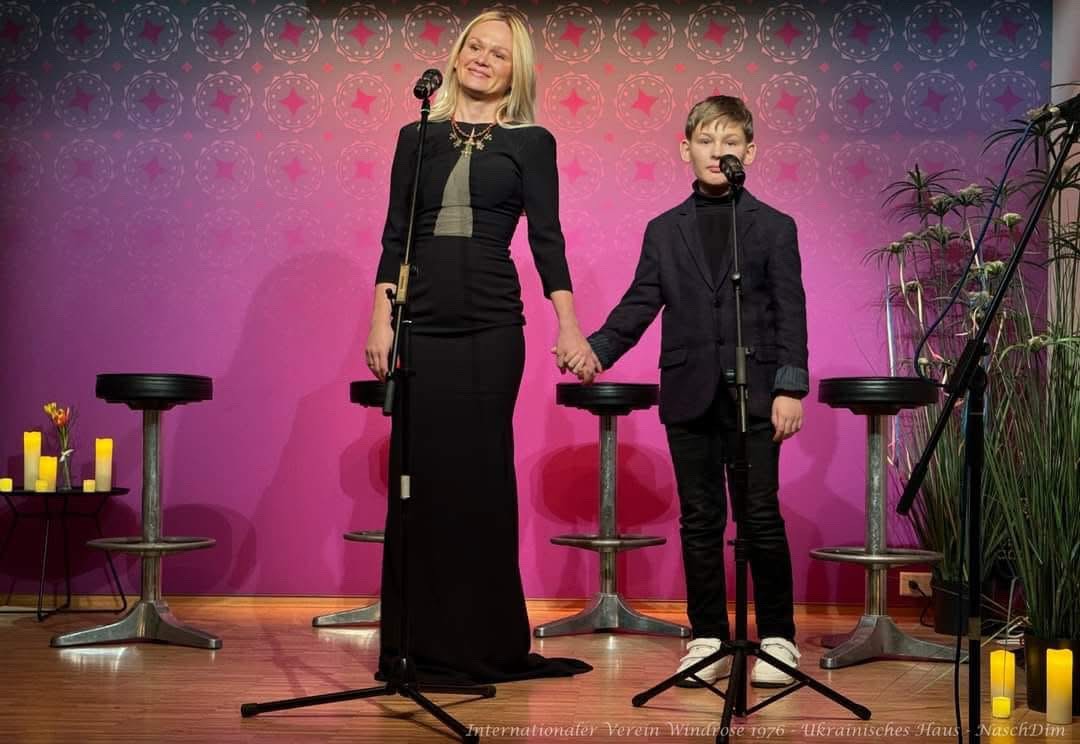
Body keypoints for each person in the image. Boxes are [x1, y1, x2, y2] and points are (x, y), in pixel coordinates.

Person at [364, 10, 597, 684]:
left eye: (499, 53)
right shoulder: (416, 136)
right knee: (420, 485)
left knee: (480, 482)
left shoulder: (532, 142)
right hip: (421, 324)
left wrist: (570, 325)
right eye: (475, 46)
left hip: (492, 328)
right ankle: (415, 648)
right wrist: (380, 318)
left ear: (516, 70)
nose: (482, 59)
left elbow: (547, 239)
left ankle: (485, 645)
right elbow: (395, 235)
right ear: (457, 52)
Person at [584, 96, 808, 688]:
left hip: (756, 394)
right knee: (701, 518)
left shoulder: (774, 226)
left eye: (730, 142)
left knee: (760, 516)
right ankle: (707, 636)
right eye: (706, 141)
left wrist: (789, 386)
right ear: (685, 148)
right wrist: (597, 349)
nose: (717, 152)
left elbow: (790, 311)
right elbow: (639, 303)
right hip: (688, 392)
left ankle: (778, 639)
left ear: (750, 152)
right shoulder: (664, 230)